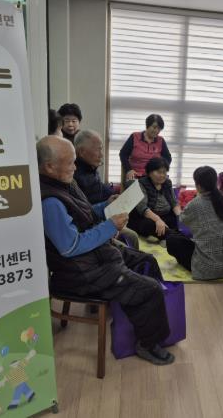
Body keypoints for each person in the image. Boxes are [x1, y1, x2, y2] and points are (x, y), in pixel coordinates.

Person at [37, 136, 174, 365]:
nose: (75, 167)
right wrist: (110, 226)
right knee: (150, 290)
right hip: (80, 273)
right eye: (70, 162)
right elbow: (71, 246)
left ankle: (143, 321)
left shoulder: (65, 183)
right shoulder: (49, 201)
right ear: (50, 166)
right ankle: (148, 344)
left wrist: (106, 207)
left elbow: (84, 213)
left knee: (147, 261)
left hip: (95, 257)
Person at [166, 166, 223, 280]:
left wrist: (178, 209)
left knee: (172, 239)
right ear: (216, 182)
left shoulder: (195, 203)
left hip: (208, 269)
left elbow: (182, 221)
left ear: (198, 185)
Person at [73, 130, 140, 249]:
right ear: (82, 152)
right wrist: (109, 226)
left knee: (132, 236)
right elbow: (83, 214)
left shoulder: (91, 169)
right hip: (90, 227)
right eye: (98, 149)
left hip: (102, 218)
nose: (101, 154)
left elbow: (100, 190)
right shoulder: (74, 177)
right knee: (129, 243)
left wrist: (113, 198)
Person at [128, 157, 181, 242]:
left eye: (164, 172)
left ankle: (168, 236)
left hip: (165, 215)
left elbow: (174, 203)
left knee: (177, 220)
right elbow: (143, 208)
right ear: (149, 173)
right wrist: (158, 220)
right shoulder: (141, 183)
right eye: (159, 172)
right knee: (147, 225)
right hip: (147, 217)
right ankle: (175, 237)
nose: (162, 175)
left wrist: (180, 218)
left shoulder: (167, 183)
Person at [119, 114, 172, 181]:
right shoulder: (135, 137)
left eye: (159, 128)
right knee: (138, 186)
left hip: (154, 177)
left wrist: (160, 171)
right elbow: (123, 154)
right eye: (154, 127)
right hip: (136, 175)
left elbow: (168, 158)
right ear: (147, 126)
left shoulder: (160, 140)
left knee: (167, 183)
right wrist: (129, 169)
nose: (156, 131)